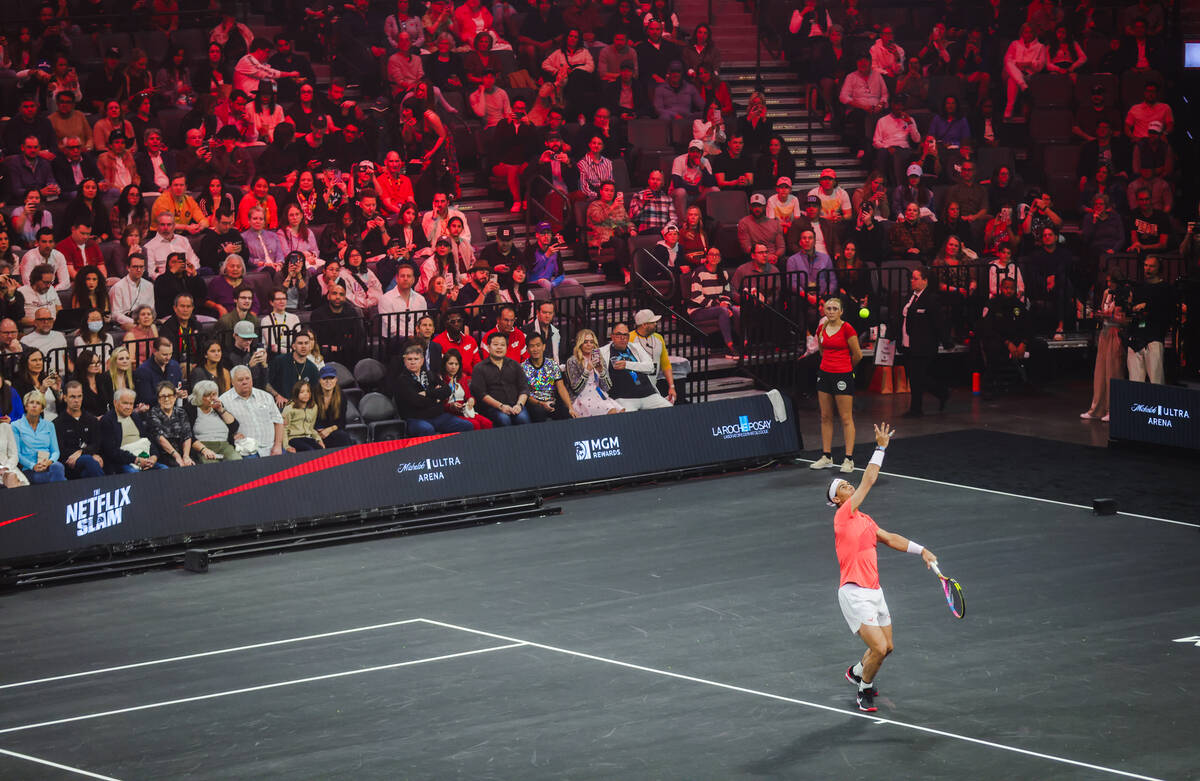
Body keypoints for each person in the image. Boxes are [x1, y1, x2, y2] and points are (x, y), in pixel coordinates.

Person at [828, 421, 937, 712]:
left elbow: (889, 538)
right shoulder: (842, 517)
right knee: (877, 648)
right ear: (838, 500)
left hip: (875, 591)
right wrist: (880, 447)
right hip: (853, 593)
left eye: (847, 483)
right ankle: (864, 689)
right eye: (843, 486)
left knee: (887, 648)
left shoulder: (864, 520)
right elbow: (869, 480)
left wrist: (922, 550)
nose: (849, 485)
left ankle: (855, 671)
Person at [809, 297, 862, 473]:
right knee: (825, 416)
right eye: (828, 308)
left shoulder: (848, 329)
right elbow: (822, 352)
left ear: (841, 312)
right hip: (824, 374)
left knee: (846, 417)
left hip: (843, 376)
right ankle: (826, 456)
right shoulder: (821, 328)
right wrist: (829, 366)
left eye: (834, 309)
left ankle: (848, 459)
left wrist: (847, 369)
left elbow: (857, 355)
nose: (831, 311)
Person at [392, 344, 475, 436]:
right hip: (415, 419)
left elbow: (447, 390)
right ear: (404, 361)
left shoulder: (430, 375)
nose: (413, 362)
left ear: (422, 361)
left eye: (416, 359)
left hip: (438, 416)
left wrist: (427, 393)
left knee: (466, 425)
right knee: (427, 429)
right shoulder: (402, 380)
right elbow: (417, 401)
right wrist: (437, 399)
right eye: (410, 359)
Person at [899, 268, 949, 417]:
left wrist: (946, 340)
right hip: (907, 343)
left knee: (917, 376)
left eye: (915, 278)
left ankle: (916, 408)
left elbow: (939, 322)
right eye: (912, 278)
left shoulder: (931, 299)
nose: (912, 281)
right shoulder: (910, 297)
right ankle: (941, 392)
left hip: (923, 344)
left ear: (925, 280)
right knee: (914, 376)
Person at [600, 322, 672, 411]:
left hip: (648, 394)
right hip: (624, 398)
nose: (622, 338)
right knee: (629, 420)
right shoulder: (603, 352)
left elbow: (650, 367)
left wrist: (627, 364)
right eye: (619, 334)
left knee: (670, 410)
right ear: (612, 336)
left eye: (625, 335)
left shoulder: (636, 347)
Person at [1125, 255, 1172, 385]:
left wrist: (1148, 306)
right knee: (1135, 381)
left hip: (1154, 337)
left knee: (1156, 380)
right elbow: (1131, 312)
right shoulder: (1138, 288)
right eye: (1146, 265)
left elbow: (1167, 312)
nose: (1148, 269)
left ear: (1159, 268)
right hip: (1136, 337)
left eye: (1152, 266)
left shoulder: (1165, 288)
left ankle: (1158, 405)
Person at [687, 247, 741, 359]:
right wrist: (719, 305)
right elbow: (696, 297)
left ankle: (743, 344)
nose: (714, 257)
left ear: (720, 258)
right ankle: (730, 347)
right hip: (698, 310)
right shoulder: (699, 272)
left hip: (718, 308)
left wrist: (725, 304)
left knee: (736, 310)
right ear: (707, 257)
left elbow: (726, 293)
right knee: (723, 311)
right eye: (711, 254)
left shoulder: (723, 273)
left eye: (717, 255)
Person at [220, 364, 285, 457]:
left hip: (272, 448)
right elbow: (219, 429)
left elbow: (278, 421)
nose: (245, 382)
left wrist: (278, 445)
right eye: (240, 380)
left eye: (247, 378)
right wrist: (231, 437)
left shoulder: (266, 396)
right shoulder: (224, 401)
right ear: (232, 382)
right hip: (246, 451)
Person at [469, 331, 531, 426]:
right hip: (493, 408)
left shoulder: (515, 365)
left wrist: (519, 405)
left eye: (502, 345)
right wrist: (501, 406)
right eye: (495, 344)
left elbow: (524, 388)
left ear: (507, 348)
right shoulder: (479, 368)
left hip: (515, 405)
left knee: (522, 418)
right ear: (489, 347)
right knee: (504, 419)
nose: (499, 347)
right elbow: (481, 394)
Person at [100, 388, 166, 473]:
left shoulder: (135, 417)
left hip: (145, 458)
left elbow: (148, 439)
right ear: (115, 403)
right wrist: (136, 460)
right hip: (124, 462)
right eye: (125, 403)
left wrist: (154, 456)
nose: (128, 407)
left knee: (164, 469)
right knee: (135, 474)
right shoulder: (107, 420)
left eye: (131, 404)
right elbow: (111, 451)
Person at [12, 389, 67, 483]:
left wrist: (49, 462)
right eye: (31, 402)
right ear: (26, 406)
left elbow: (55, 451)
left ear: (42, 408)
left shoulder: (49, 425)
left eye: (38, 403)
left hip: (48, 465)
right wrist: (32, 465)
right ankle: (61, 495)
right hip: (29, 468)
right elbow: (17, 454)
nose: (34, 405)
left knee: (58, 467)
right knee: (54, 479)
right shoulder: (16, 425)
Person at [147, 380, 195, 467]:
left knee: (193, 465)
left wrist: (186, 456)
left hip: (182, 451)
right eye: (162, 396)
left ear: (175, 397)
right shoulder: (153, 413)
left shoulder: (181, 412)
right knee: (177, 467)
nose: (166, 399)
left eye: (169, 395)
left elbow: (187, 435)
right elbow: (160, 438)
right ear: (158, 399)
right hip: (164, 453)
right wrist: (177, 456)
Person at [267, 330, 321, 408]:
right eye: (300, 343)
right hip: (280, 406)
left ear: (310, 346)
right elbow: (266, 383)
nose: (303, 346)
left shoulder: (313, 368)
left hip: (301, 409)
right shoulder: (280, 361)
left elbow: (314, 393)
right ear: (293, 346)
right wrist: (277, 395)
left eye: (306, 343)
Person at [314, 365, 353, 448]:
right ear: (319, 380)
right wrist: (318, 432)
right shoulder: (312, 396)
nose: (328, 381)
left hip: (333, 431)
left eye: (331, 378)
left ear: (336, 380)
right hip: (315, 432)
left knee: (343, 437)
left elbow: (342, 423)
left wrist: (329, 430)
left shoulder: (342, 396)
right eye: (325, 378)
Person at [281, 379, 325, 451]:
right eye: (302, 392)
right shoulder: (289, 408)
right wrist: (286, 446)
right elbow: (284, 429)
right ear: (296, 393)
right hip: (293, 438)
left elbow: (311, 428)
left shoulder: (314, 407)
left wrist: (319, 440)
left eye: (308, 391)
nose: (306, 394)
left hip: (307, 437)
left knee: (320, 450)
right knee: (309, 450)